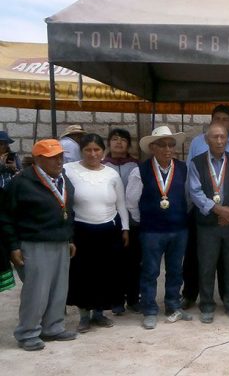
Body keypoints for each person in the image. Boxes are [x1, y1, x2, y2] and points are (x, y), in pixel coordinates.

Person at [1, 139, 78, 351]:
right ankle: (27, 333)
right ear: (38, 160)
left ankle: (53, 327)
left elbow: (68, 212)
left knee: (58, 289)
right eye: (52, 157)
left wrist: (70, 238)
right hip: (34, 243)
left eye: (60, 156)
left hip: (61, 242)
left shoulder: (64, 181)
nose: (59, 161)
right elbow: (6, 216)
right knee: (37, 291)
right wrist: (13, 246)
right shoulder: (22, 183)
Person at [183, 104, 229, 310]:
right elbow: (191, 183)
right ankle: (197, 299)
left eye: (225, 120)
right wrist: (216, 209)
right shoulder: (197, 144)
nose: (221, 125)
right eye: (217, 119)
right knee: (203, 261)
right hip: (205, 214)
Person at [126, 125, 192, 329]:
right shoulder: (140, 171)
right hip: (151, 231)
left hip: (178, 229)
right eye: (162, 145)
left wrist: (179, 216)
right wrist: (145, 220)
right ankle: (149, 309)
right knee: (150, 271)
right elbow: (131, 201)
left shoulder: (182, 168)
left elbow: (188, 198)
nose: (167, 149)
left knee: (175, 270)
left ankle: (173, 305)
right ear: (152, 148)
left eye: (171, 145)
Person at [64, 134, 129, 333]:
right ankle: (84, 316)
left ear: (103, 151)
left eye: (97, 150)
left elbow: (121, 203)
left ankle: (99, 313)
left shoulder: (111, 174)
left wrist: (125, 228)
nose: (93, 154)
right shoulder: (69, 170)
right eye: (88, 150)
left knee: (105, 273)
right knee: (83, 274)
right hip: (81, 231)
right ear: (81, 152)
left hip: (108, 230)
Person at [102, 128, 141, 315]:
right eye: (115, 139)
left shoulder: (135, 165)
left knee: (133, 261)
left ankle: (133, 299)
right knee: (113, 262)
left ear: (129, 144)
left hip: (134, 221)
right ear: (109, 143)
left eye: (123, 140)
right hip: (110, 220)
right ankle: (116, 300)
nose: (119, 143)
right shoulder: (102, 166)